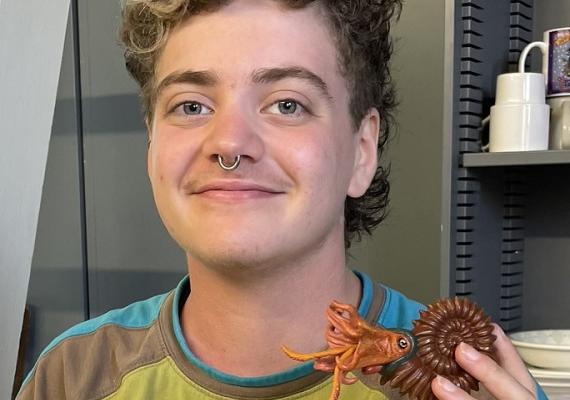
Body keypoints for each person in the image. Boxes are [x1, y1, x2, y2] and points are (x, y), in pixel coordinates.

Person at [17, 1, 546, 399]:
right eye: (192, 105)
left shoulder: (470, 379)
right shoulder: (74, 373)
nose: (228, 144)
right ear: (152, 141)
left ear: (362, 151)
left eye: (287, 103)